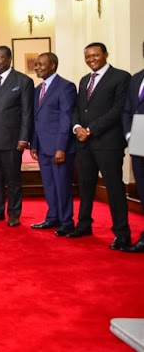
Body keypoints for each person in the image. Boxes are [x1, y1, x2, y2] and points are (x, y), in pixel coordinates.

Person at [69, 42, 132, 250]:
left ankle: (122, 233)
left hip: (108, 143)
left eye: (95, 55)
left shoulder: (121, 77)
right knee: (86, 187)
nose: (91, 59)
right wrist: (77, 127)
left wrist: (92, 129)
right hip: (84, 143)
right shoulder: (84, 79)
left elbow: (118, 109)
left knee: (114, 188)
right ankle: (84, 224)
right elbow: (78, 108)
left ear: (105, 54)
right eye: (87, 56)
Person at [0, 46, 34, 227]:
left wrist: (24, 138)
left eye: (1, 58)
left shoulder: (23, 81)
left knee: (13, 179)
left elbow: (27, 112)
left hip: (11, 140)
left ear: (10, 59)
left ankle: (14, 213)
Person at [29, 53, 77, 236]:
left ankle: (66, 221)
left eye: (42, 64)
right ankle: (52, 217)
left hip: (59, 148)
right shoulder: (37, 89)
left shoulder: (66, 87)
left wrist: (61, 148)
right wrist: (34, 144)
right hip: (42, 147)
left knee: (62, 185)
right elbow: (36, 119)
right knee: (49, 185)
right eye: (36, 64)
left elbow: (66, 119)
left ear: (53, 66)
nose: (38, 67)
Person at [122, 41, 144, 252]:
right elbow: (127, 109)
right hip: (138, 137)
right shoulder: (136, 78)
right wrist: (129, 134)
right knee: (142, 189)